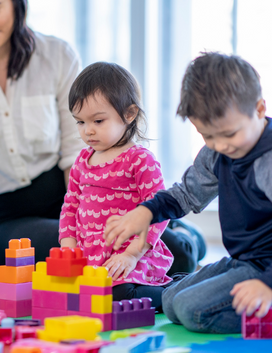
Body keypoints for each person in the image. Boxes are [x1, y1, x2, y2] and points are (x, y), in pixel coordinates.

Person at [0, 0, 205, 271]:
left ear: (17, 3)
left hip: (74, 198)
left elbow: (77, 150)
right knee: (82, 260)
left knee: (156, 251)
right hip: (5, 218)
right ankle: (178, 236)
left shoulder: (56, 55)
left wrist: (88, 222)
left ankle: (178, 234)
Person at [104, 52, 272, 333]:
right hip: (244, 260)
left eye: (228, 134)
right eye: (207, 136)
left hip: (266, 267)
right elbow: (185, 195)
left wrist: (266, 283)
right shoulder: (216, 153)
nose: (219, 145)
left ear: (258, 109)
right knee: (169, 301)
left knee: (191, 312)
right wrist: (145, 212)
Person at [60, 62, 172, 309]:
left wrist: (131, 255)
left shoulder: (140, 160)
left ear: (129, 114)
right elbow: (70, 207)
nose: (88, 131)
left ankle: (177, 290)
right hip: (93, 260)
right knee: (71, 296)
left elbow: (159, 212)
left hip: (133, 256)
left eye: (98, 121)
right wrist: (68, 248)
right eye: (79, 122)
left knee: (119, 296)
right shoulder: (81, 161)